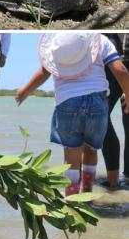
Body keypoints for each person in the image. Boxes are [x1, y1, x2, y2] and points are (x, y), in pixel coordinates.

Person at [16, 33, 129, 195]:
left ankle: (72, 199)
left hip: (67, 103)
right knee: (91, 149)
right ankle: (87, 195)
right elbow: (121, 71)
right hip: (97, 103)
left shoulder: (55, 48)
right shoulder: (101, 40)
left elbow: (43, 73)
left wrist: (24, 92)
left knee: (71, 156)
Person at [102, 33, 129, 188]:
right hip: (116, 64)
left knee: (103, 118)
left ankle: (116, 180)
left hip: (120, 63)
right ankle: (119, 180)